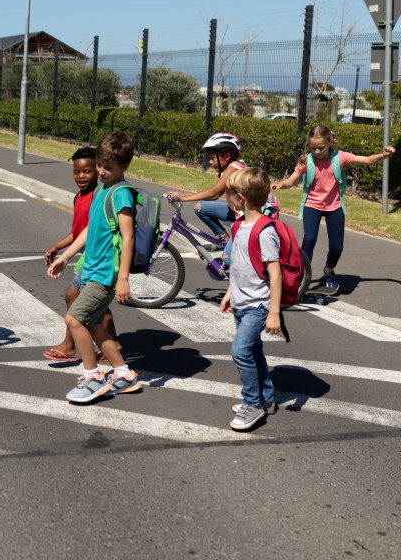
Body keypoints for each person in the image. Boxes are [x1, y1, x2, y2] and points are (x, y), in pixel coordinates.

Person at [47, 131, 142, 403]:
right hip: (90, 269)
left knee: (75, 319)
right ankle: (123, 374)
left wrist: (123, 278)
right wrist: (66, 256)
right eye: (99, 165)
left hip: (105, 274)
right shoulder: (102, 189)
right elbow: (90, 228)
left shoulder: (121, 194)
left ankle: (92, 377)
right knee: (93, 323)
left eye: (107, 168)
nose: (100, 171)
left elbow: (128, 237)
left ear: (124, 167)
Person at [271, 125, 395, 290]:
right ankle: (299, 274)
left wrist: (384, 155)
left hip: (334, 206)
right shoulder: (307, 160)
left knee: (337, 246)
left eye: (321, 148)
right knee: (309, 239)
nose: (317, 151)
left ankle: (329, 269)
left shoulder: (340, 158)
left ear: (330, 142)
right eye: (313, 148)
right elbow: (292, 180)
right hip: (312, 205)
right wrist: (280, 185)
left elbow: (366, 160)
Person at [219, 167, 282, 431]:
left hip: (259, 305)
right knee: (254, 351)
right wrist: (230, 293)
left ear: (241, 196)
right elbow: (239, 265)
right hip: (241, 302)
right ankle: (266, 398)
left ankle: (253, 404)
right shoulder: (238, 226)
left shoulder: (264, 231)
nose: (229, 196)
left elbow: (275, 274)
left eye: (231, 192)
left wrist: (274, 312)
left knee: (240, 351)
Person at [41, 146, 117, 362]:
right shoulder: (80, 197)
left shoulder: (97, 196)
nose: (81, 176)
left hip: (98, 256)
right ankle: (115, 344)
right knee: (96, 305)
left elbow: (93, 231)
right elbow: (78, 232)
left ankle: (69, 345)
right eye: (76, 171)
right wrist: (57, 247)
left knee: (74, 297)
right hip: (89, 255)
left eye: (87, 171)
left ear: (98, 170)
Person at [166, 132, 248, 246]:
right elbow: (215, 194)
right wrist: (182, 195)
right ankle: (225, 241)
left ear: (227, 156)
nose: (210, 162)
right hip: (236, 211)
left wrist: (183, 198)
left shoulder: (234, 168)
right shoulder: (230, 168)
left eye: (212, 158)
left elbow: (214, 193)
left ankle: (231, 250)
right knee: (200, 208)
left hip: (248, 217)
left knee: (229, 260)